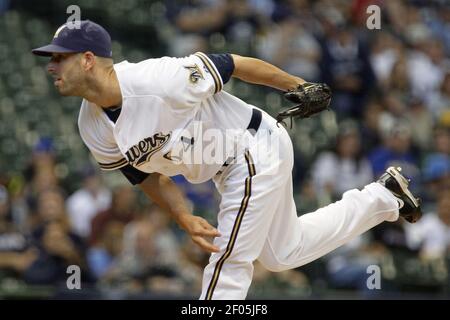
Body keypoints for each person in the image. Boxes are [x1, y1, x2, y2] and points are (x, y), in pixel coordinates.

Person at [32, 20, 422, 299]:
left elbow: (232, 63)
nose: (51, 66)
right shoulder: (91, 125)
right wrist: (183, 217)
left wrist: (299, 86)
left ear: (87, 59)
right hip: (229, 168)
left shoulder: (157, 80)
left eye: (59, 57)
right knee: (284, 253)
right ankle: (384, 197)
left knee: (229, 264)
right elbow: (141, 175)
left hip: (250, 148)